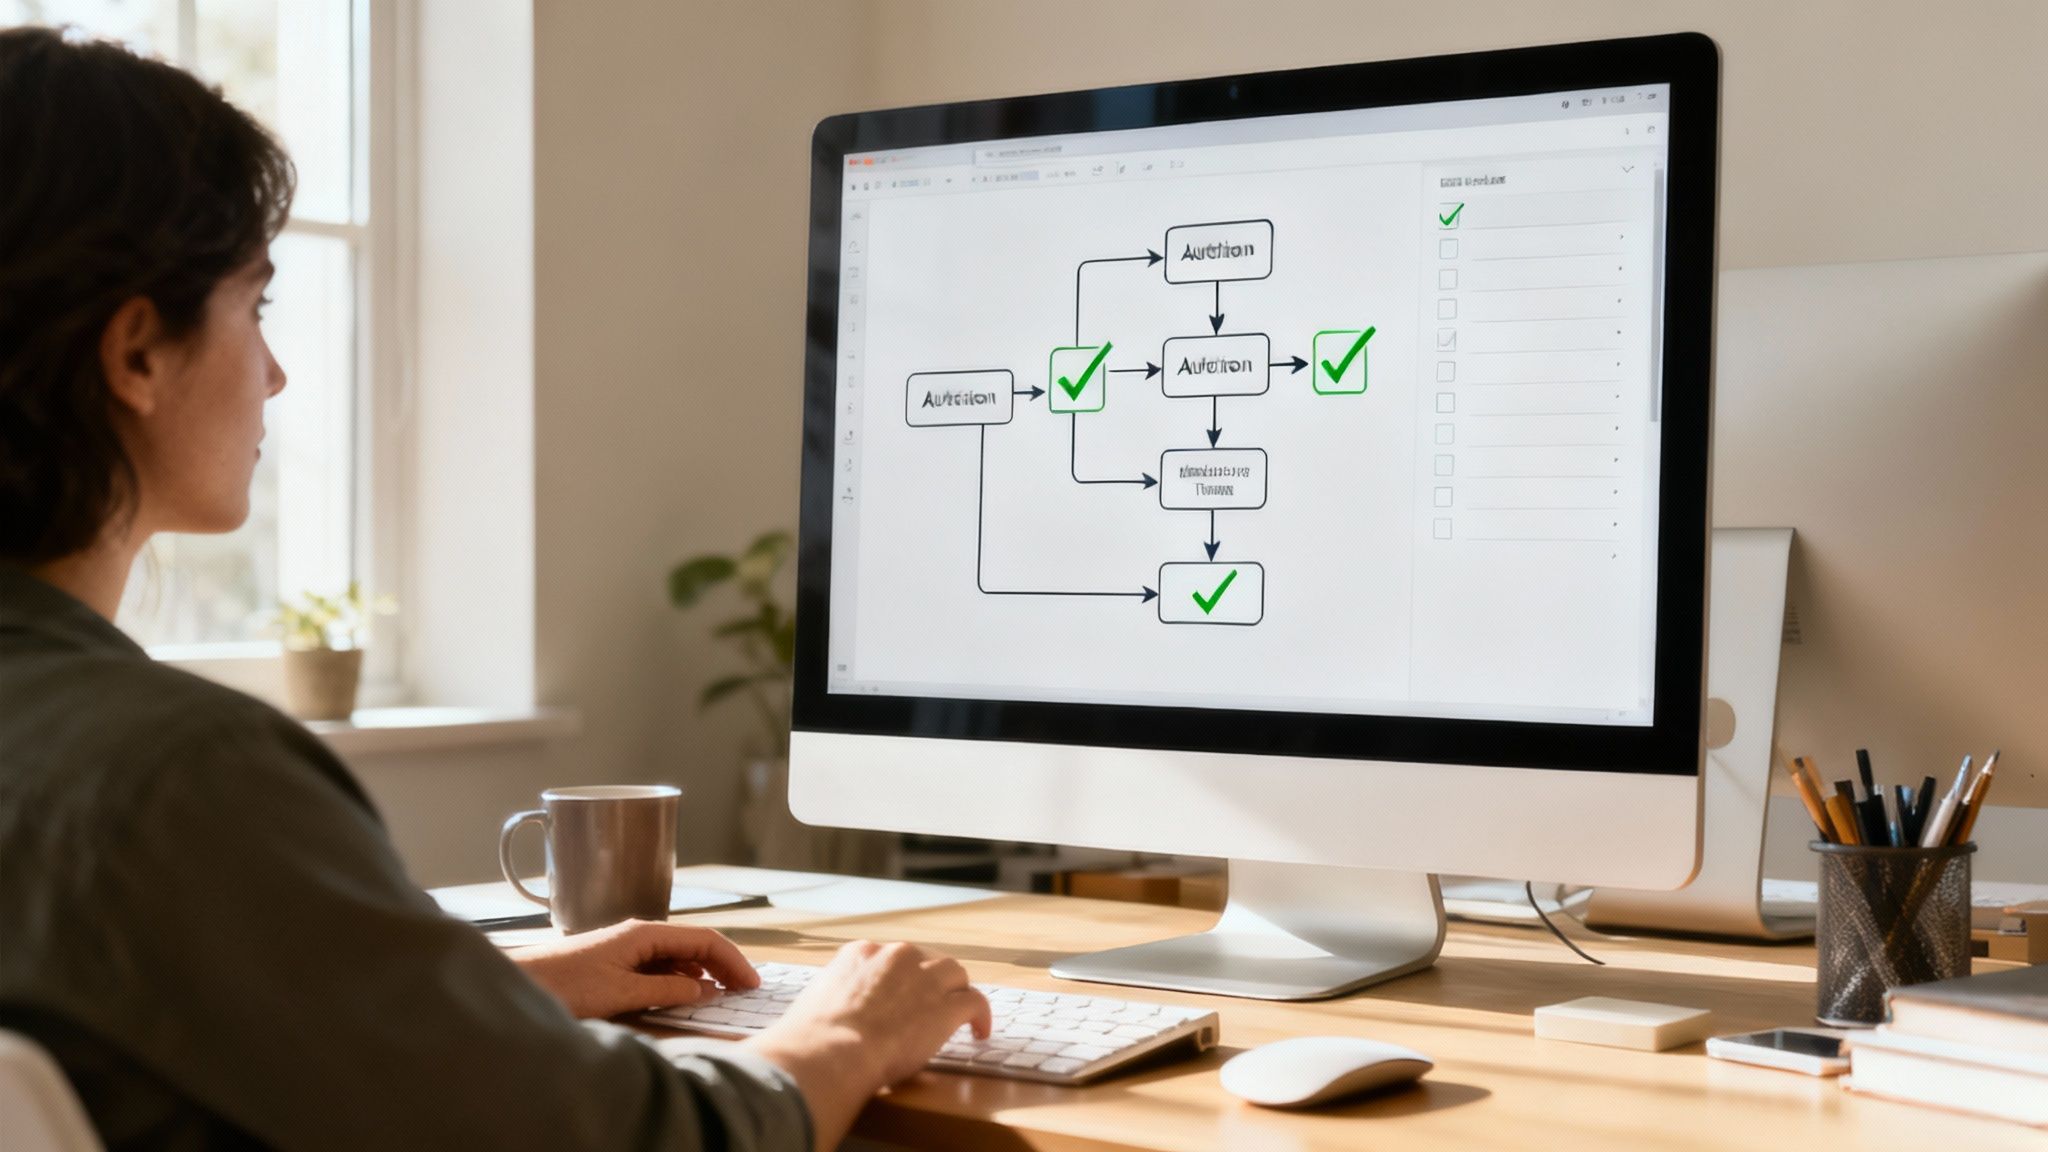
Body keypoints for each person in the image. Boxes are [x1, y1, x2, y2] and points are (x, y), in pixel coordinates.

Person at [0, 26, 988, 1152]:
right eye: (257, 308)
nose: (275, 374)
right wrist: (845, 1033)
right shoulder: (177, 778)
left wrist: (473, 992)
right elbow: (627, 1138)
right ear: (136, 355)